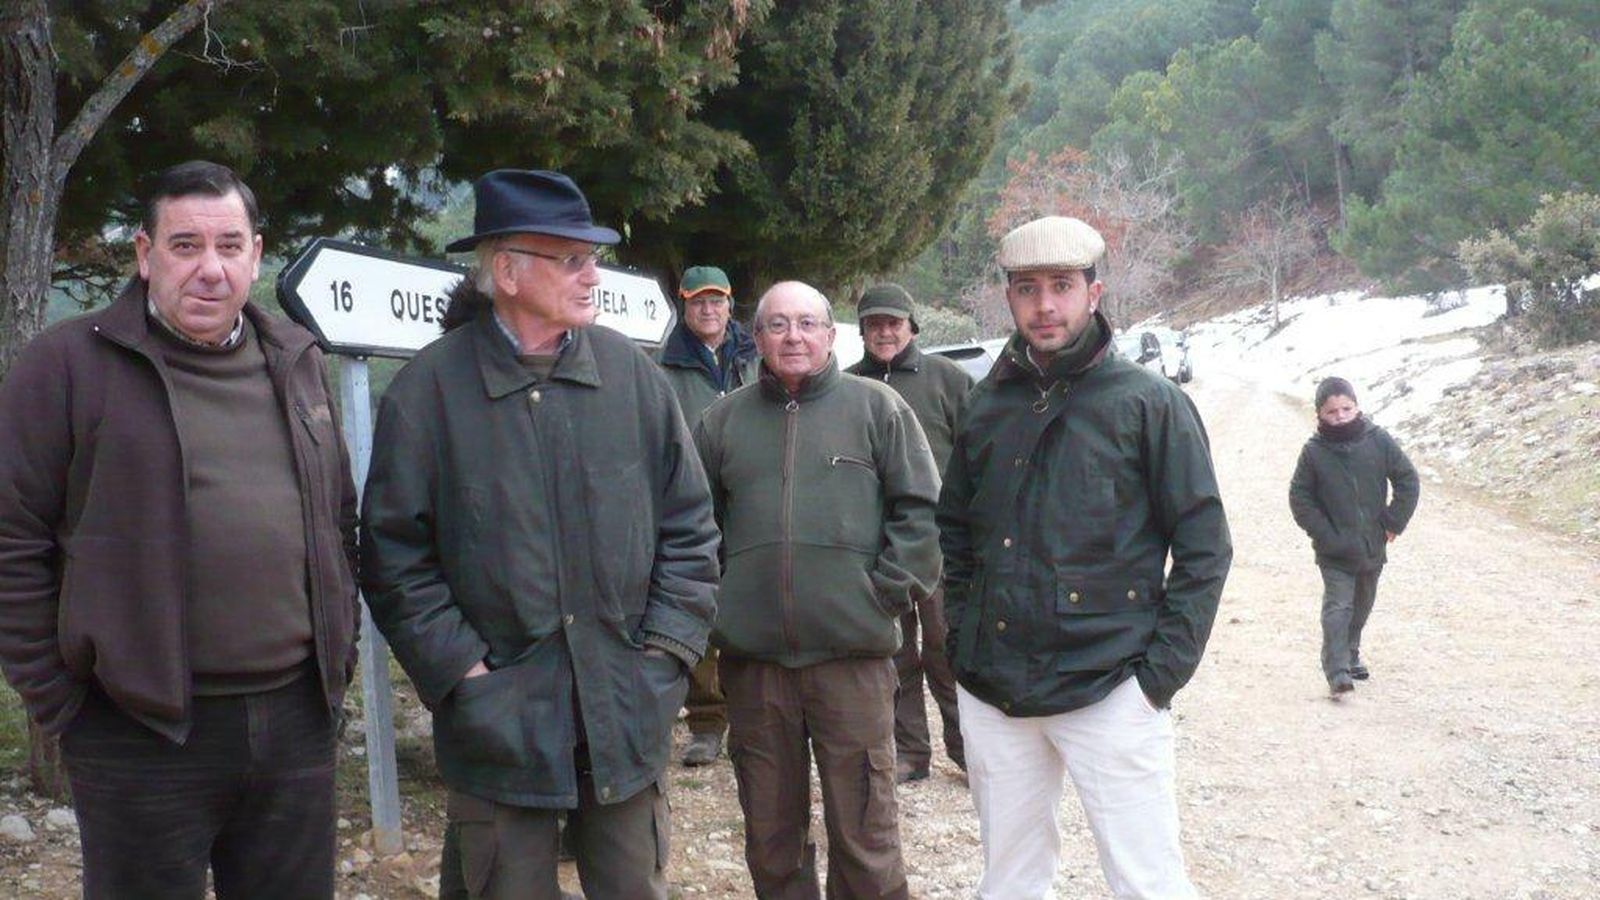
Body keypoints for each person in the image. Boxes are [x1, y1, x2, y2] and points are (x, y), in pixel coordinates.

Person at [0, 160, 360, 898]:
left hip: (295, 721)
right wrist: (62, 704)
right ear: (143, 254)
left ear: (256, 255)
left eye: (229, 247)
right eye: (185, 245)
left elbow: (337, 520)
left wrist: (337, 662)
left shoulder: (297, 361)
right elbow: (12, 542)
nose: (210, 269)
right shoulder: (67, 366)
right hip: (139, 728)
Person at [360, 169, 720, 900]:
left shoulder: (634, 379)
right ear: (507, 271)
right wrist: (466, 677)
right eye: (571, 259)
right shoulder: (427, 393)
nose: (593, 275)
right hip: (500, 729)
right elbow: (394, 557)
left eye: (593, 257)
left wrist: (666, 657)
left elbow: (690, 528)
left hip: (625, 707)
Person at [938, 216, 1232, 899]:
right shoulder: (984, 403)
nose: (1045, 305)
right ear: (1008, 297)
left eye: (1062, 286)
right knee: (1008, 881)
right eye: (1027, 288)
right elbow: (954, 531)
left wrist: (1157, 679)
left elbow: (1203, 546)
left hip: (1112, 685)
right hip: (993, 686)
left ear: (1094, 293)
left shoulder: (1151, 404)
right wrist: (963, 635)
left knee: (1146, 882)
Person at [694, 281, 941, 899]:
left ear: (832, 335)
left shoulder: (878, 409)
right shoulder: (721, 422)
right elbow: (692, 529)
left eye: (807, 323)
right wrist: (721, 603)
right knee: (771, 838)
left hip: (851, 660)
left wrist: (885, 593)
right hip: (755, 668)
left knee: (866, 833)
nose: (793, 336)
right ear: (756, 338)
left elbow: (923, 512)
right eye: (777, 324)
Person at [845, 282, 974, 783]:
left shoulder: (948, 379)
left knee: (947, 648)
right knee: (895, 652)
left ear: (911, 326)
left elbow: (978, 456)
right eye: (874, 323)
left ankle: (967, 751)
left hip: (940, 543)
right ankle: (910, 755)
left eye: (893, 322)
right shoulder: (848, 386)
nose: (884, 331)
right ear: (861, 330)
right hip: (875, 545)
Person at [657, 264, 758, 767]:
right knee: (700, 609)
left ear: (730, 303)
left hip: (755, 498)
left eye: (717, 300)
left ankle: (755, 716)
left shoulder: (755, 355)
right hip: (695, 504)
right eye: (699, 301)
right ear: (684, 305)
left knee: (755, 606)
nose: (709, 309)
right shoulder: (664, 369)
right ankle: (706, 721)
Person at [1289, 376, 1420, 697]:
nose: (1340, 416)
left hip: (1372, 545)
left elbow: (1408, 480)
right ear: (1320, 414)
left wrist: (1392, 522)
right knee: (1338, 606)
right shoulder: (1313, 452)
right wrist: (1325, 534)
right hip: (1334, 550)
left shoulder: (1378, 440)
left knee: (1362, 604)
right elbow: (1300, 498)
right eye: (1332, 412)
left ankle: (1351, 652)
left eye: (1346, 408)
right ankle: (1337, 671)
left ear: (1357, 406)